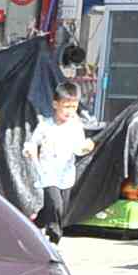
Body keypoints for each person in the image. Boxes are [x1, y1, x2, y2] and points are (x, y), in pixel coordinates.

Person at [30, 90, 91, 238]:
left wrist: (85, 148)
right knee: (55, 204)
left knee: (57, 208)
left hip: (65, 173)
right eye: (66, 107)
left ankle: (35, 224)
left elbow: (78, 148)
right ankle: (54, 236)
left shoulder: (75, 127)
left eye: (74, 107)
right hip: (47, 173)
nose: (70, 111)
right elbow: (33, 143)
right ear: (55, 104)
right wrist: (30, 151)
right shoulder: (45, 125)